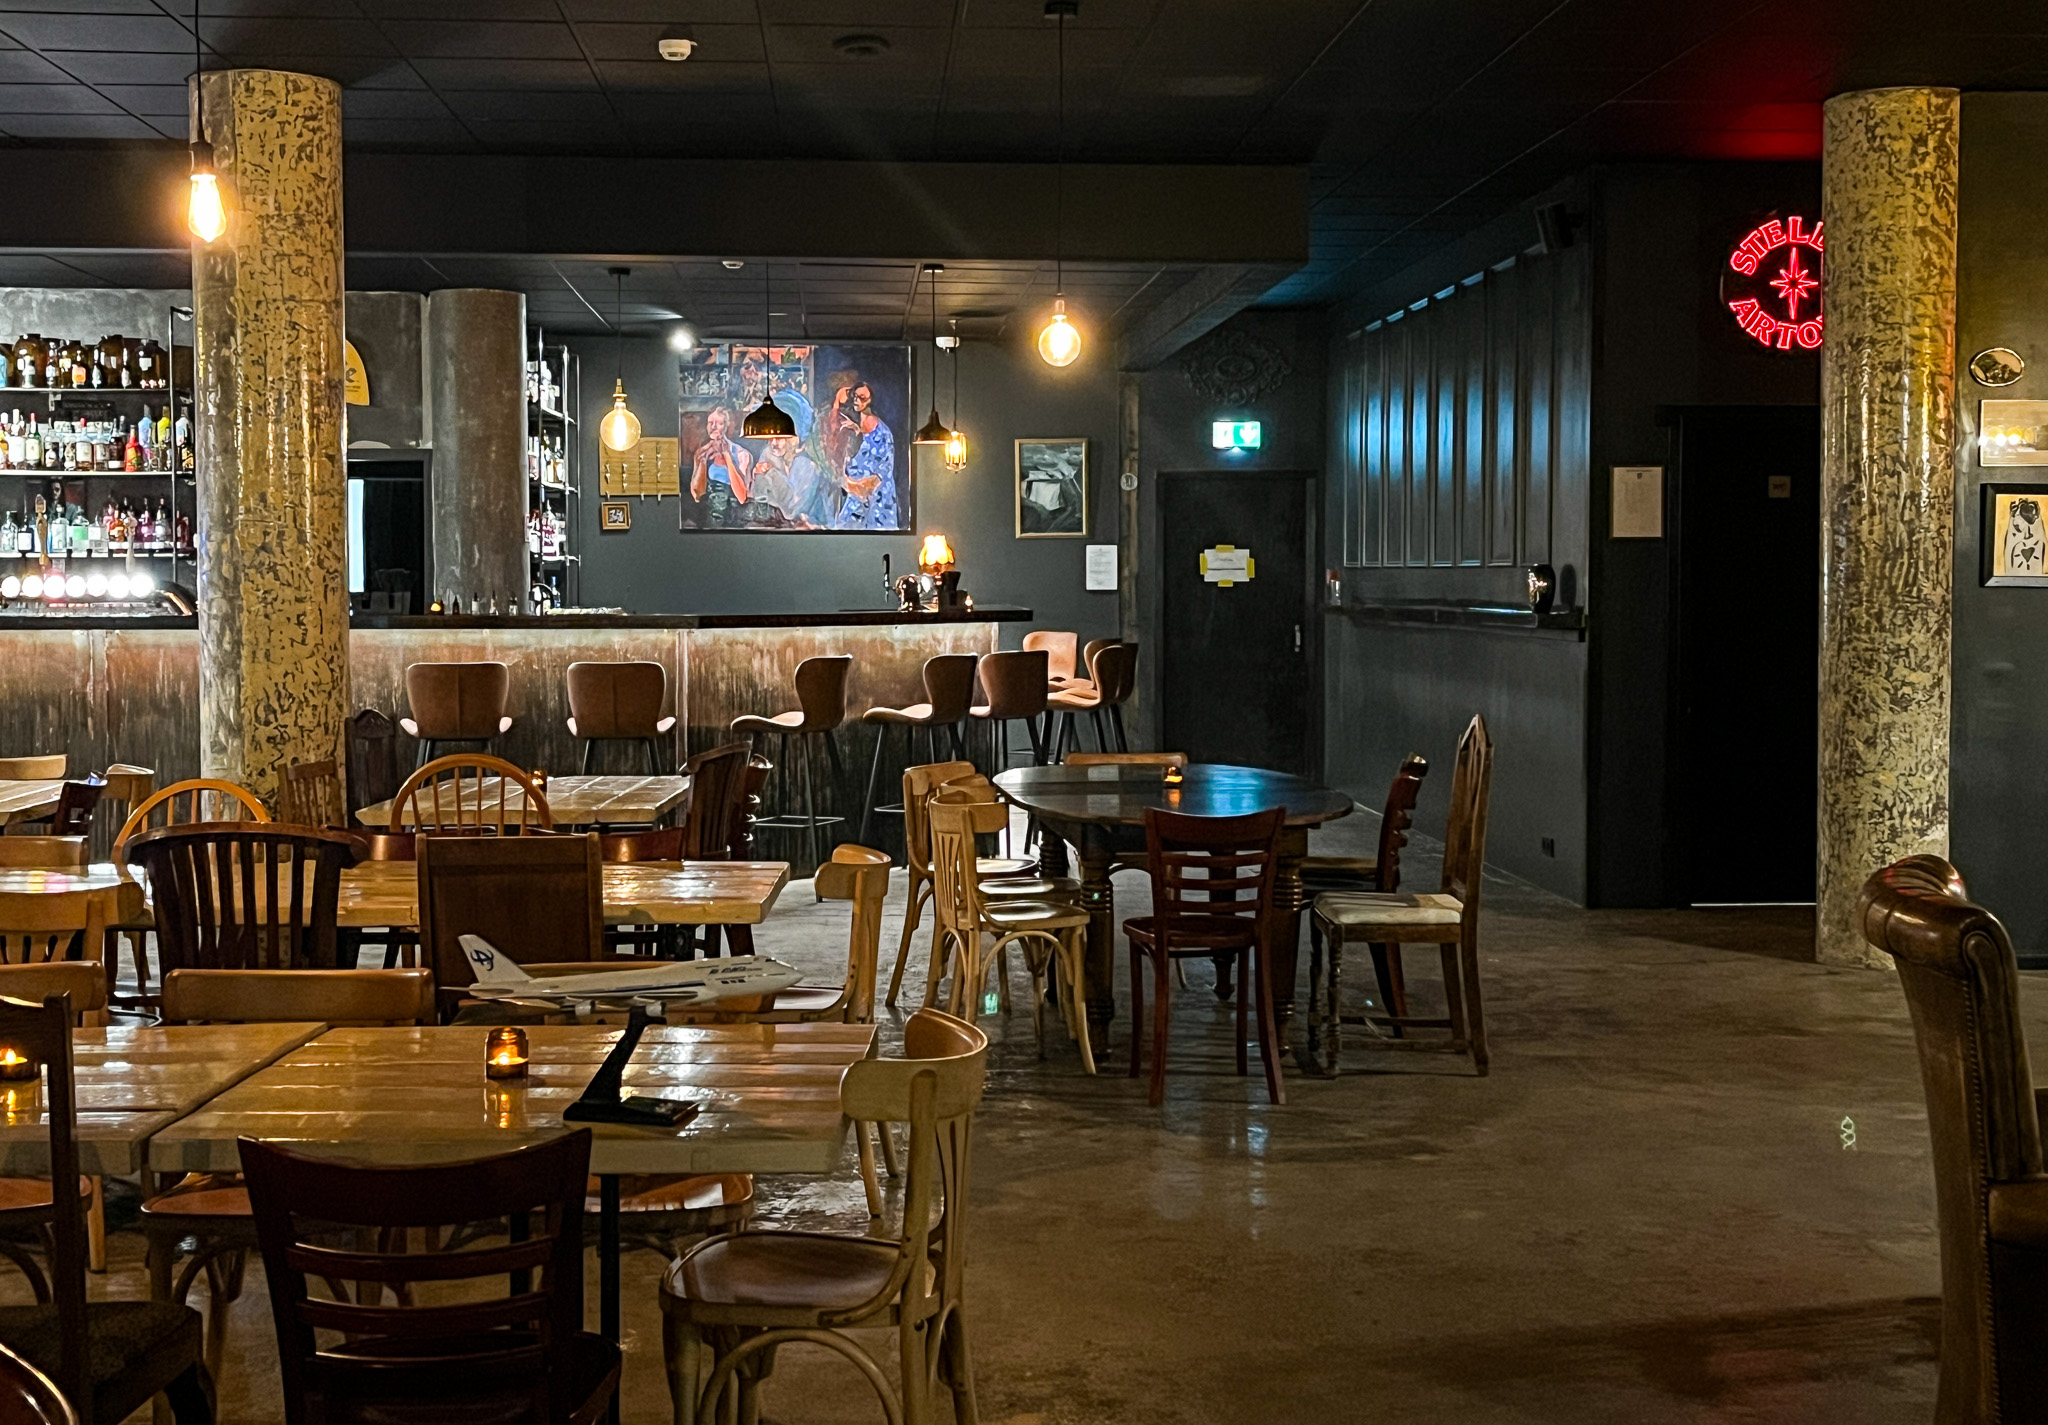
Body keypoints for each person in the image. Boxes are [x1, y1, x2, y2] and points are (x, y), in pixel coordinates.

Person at [831, 381, 898, 530]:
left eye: (862, 397)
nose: (857, 400)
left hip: (878, 503)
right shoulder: (851, 430)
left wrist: (855, 485)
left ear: (871, 400)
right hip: (854, 501)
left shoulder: (883, 434)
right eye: (855, 396)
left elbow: (883, 471)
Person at [689, 405, 752, 527]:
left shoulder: (741, 454)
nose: (713, 427)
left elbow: (742, 497)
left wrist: (727, 457)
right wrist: (702, 463)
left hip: (734, 516)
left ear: (727, 426)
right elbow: (697, 495)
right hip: (710, 513)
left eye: (719, 423)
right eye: (710, 423)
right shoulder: (701, 453)